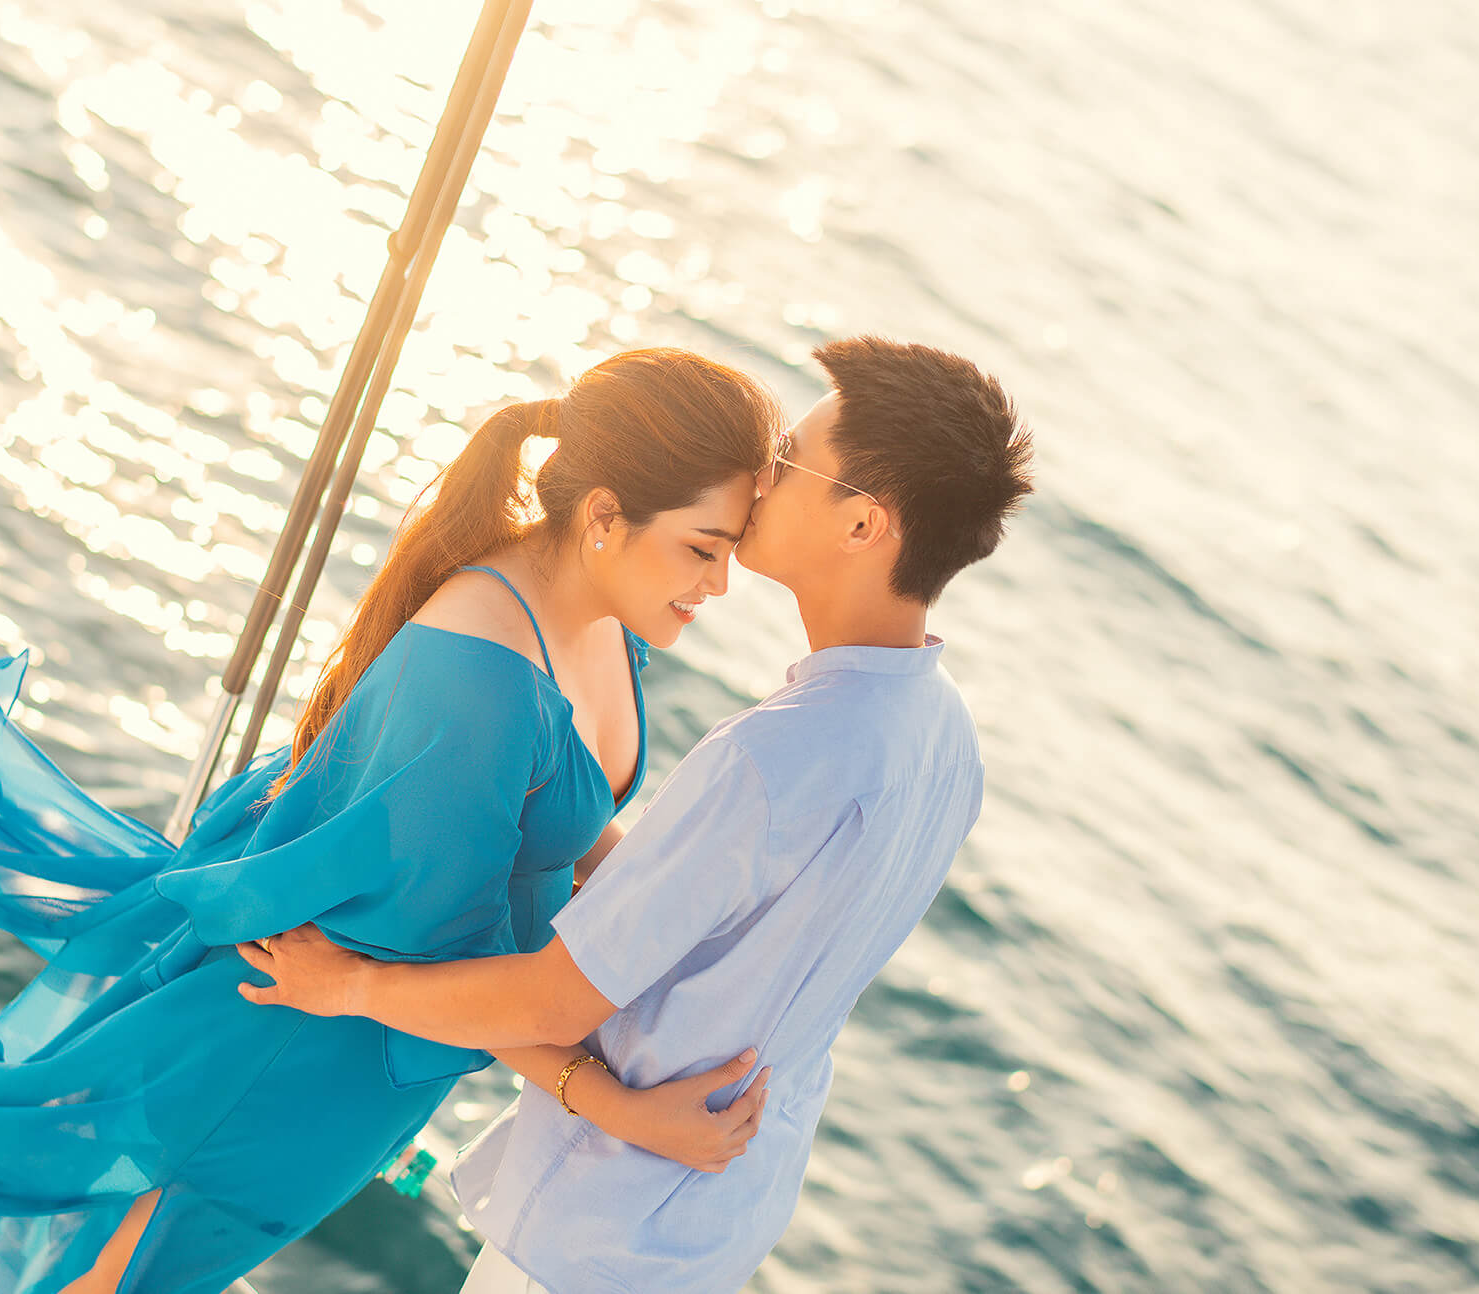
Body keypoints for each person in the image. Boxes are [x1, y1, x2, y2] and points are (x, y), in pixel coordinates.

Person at [0, 347, 782, 1294]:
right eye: (703, 546)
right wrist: (610, 1104)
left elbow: (568, 811)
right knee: (123, 1272)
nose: (721, 581)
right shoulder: (482, 687)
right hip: (293, 1048)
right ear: (604, 515)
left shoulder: (597, 606)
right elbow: (427, 961)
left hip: (371, 1054)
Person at [240, 335, 1036, 1293]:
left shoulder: (774, 755)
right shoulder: (946, 742)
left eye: (787, 460)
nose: (760, 477)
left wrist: (347, 987)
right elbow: (732, 928)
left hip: (602, 1226)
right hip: (721, 1218)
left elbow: (551, 1001)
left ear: (862, 525)